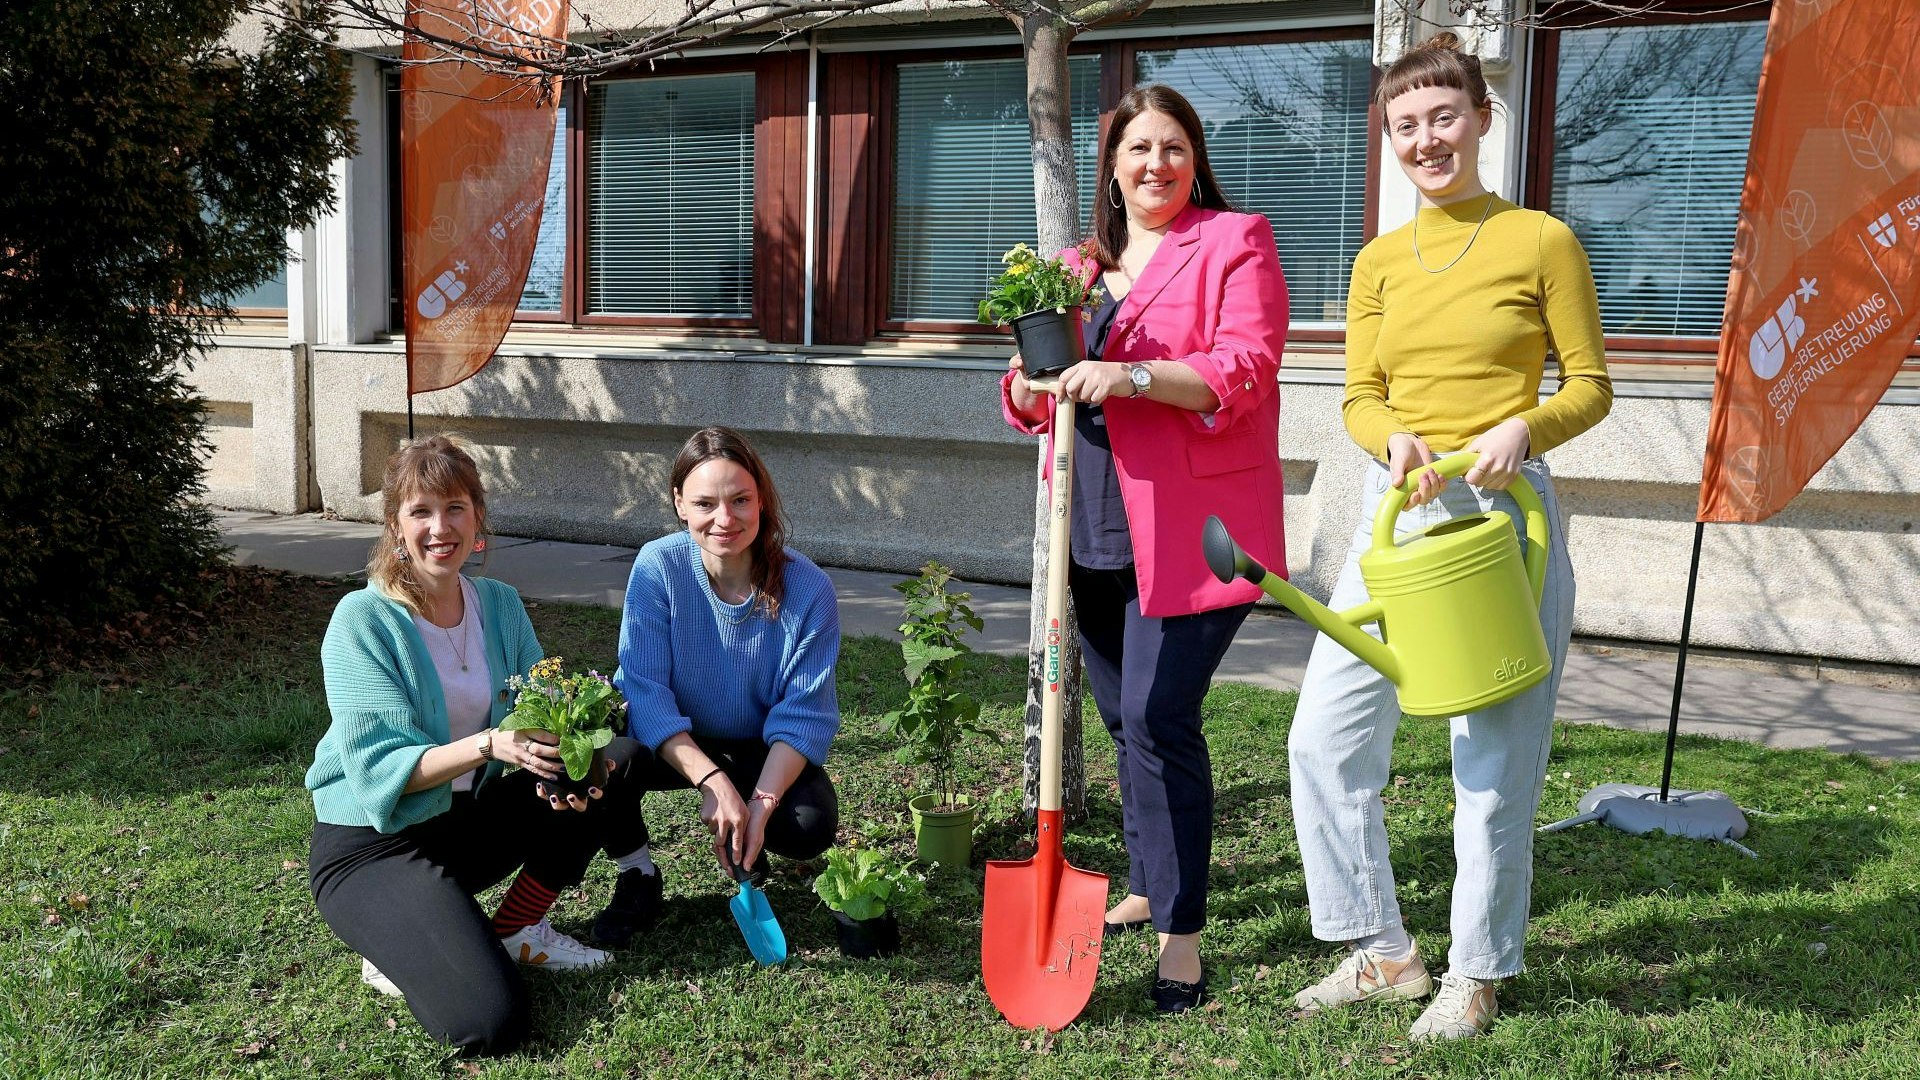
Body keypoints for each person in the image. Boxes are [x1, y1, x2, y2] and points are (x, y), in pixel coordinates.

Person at [1287, 33, 1612, 1041]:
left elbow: (1591, 386)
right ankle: (1382, 951)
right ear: (1388, 138)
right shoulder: (1377, 260)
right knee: (1323, 737)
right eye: (1405, 125)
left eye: (1442, 116)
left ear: (1480, 117)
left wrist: (1527, 428)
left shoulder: (1541, 240)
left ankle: (1475, 972)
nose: (1426, 139)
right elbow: (1360, 395)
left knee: (1493, 761)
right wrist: (1393, 441)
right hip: (1397, 516)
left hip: (1504, 521)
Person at [999, 84, 1289, 1014]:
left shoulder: (1234, 240)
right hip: (1088, 521)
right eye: (1138, 148)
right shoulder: (1074, 268)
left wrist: (1128, 376)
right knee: (1125, 722)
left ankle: (1182, 938)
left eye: (1173, 147)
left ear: (1194, 160)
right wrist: (1028, 389)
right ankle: (1144, 881)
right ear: (1113, 166)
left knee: (1159, 716)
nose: (1156, 164)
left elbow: (1244, 367)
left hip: (1195, 529)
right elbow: (1029, 390)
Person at [306, 434, 648, 1057]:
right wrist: (491, 743)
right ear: (395, 526)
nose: (441, 528)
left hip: (464, 821)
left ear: (478, 517)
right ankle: (395, 939)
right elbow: (381, 771)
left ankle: (518, 928)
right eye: (421, 511)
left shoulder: (500, 604)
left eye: (455, 508)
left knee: (610, 762)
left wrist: (573, 762)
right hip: (376, 845)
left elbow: (542, 709)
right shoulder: (363, 620)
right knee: (490, 1023)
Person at [589, 426, 842, 947]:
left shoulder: (809, 588)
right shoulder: (658, 567)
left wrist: (762, 806)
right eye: (705, 503)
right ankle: (638, 874)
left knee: (808, 824)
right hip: (666, 740)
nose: (724, 519)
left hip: (757, 743)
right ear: (680, 504)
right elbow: (644, 692)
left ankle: (751, 837)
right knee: (606, 759)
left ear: (762, 499)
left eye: (740, 500)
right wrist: (712, 782)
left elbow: (804, 716)